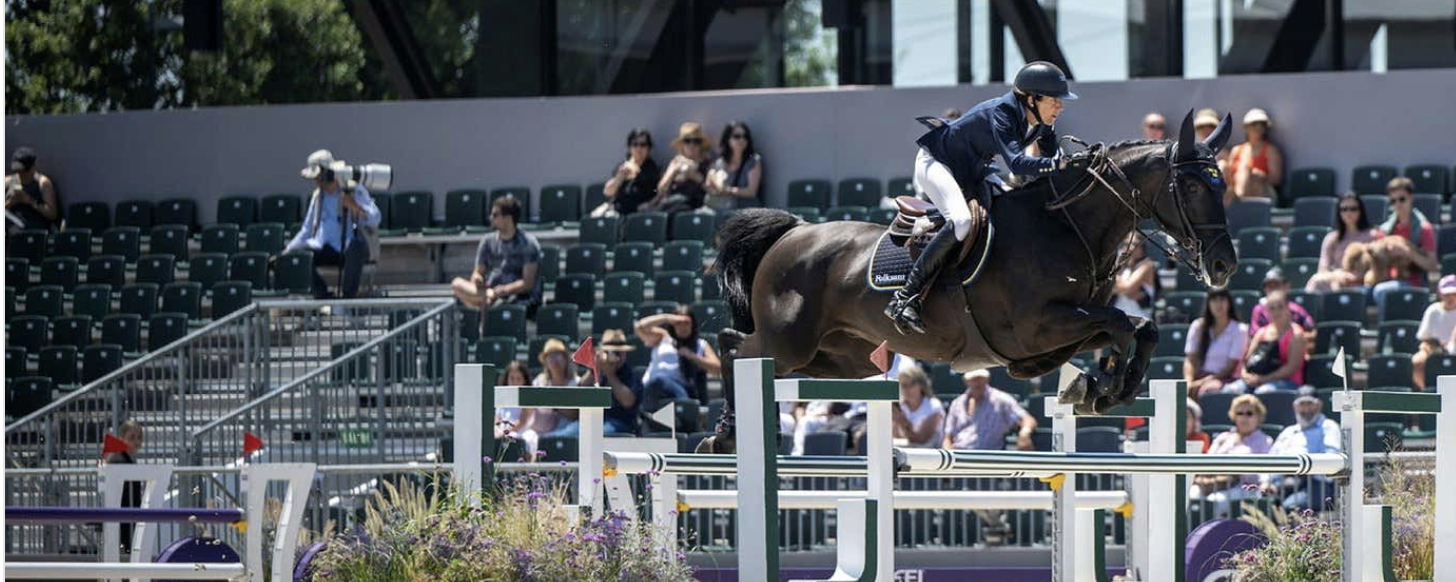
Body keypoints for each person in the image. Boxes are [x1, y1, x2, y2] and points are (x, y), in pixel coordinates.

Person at [888, 61, 1084, 335]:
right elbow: (1017, 164)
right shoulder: (1003, 112)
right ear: (1032, 98)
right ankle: (904, 298)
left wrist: (1075, 167)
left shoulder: (1042, 121)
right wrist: (1059, 165)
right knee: (962, 222)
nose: (1060, 107)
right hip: (938, 164)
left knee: (1012, 212)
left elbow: (1054, 161)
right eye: (1054, 100)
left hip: (973, 171)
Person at [285, 149, 382, 299]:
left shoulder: (353, 190)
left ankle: (348, 298)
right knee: (300, 255)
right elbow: (306, 230)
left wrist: (354, 206)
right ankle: (322, 295)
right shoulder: (318, 196)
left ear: (327, 174)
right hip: (324, 248)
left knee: (356, 247)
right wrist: (288, 250)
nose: (316, 181)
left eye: (318, 177)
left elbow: (375, 218)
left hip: (349, 249)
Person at [451, 196, 543, 331]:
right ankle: (488, 298)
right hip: (491, 292)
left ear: (508, 218)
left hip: (519, 296)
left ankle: (483, 337)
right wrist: (477, 279)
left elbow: (527, 283)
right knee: (457, 284)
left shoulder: (528, 243)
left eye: (495, 215)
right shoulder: (487, 241)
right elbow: (477, 272)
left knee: (486, 302)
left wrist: (504, 290)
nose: (491, 218)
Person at [1191, 395, 1272, 517]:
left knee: (1214, 501)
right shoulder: (1223, 438)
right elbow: (1207, 462)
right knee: (1191, 496)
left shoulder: (1264, 441)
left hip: (1245, 488)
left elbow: (1267, 469)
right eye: (1240, 413)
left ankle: (1209, 535)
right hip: (1214, 483)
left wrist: (1266, 483)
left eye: (1249, 413)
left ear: (1258, 416)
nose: (1244, 417)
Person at [1265, 387, 1340, 511]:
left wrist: (1302, 468)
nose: (1306, 409)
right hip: (1283, 483)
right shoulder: (1288, 432)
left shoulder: (1329, 427)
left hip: (1317, 484)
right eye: (1302, 404)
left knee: (1290, 507)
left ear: (1319, 405)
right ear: (1295, 407)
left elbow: (1331, 458)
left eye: (1309, 404)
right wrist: (1267, 481)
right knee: (1258, 503)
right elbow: (1271, 459)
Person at [1373, 177, 1439, 313]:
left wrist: (1408, 252)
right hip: (1385, 278)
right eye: (1393, 201)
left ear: (1411, 198)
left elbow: (1432, 265)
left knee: (1381, 291)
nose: (1397, 204)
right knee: (1358, 292)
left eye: (1402, 199)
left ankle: (1385, 330)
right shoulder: (1385, 230)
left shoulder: (1424, 228)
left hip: (1414, 282)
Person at [634, 306, 721, 408]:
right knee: (658, 380)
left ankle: (685, 409)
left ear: (693, 324)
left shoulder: (700, 344)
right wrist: (666, 318)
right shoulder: (663, 337)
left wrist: (692, 356)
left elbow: (717, 369)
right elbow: (639, 327)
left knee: (664, 385)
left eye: (686, 323)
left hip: (679, 387)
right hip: (652, 386)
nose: (683, 327)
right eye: (678, 323)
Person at [1225, 290, 1306, 394]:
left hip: (1287, 382)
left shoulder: (1296, 335)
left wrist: (1263, 379)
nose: (1276, 312)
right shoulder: (1261, 333)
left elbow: (1292, 367)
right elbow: (1247, 360)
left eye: (1280, 307)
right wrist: (1245, 374)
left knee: (1263, 392)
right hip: (1255, 380)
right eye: (1272, 308)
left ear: (1287, 307)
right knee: (1229, 391)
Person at [942, 369, 1037, 450]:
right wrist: (948, 453)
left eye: (980, 378)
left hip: (988, 458)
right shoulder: (957, 403)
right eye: (973, 379)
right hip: (959, 455)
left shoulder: (1001, 400)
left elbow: (1027, 419)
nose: (977, 383)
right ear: (966, 381)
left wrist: (1025, 433)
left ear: (987, 379)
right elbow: (948, 437)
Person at [1305, 192, 1378, 292]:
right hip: (1336, 280)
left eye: (1353, 209)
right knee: (1317, 280)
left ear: (1361, 211)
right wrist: (1338, 275)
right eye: (1344, 209)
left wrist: (1356, 276)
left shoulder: (1373, 235)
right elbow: (1323, 268)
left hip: (1364, 283)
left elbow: (1378, 266)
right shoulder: (1332, 238)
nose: (1348, 213)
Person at [1185, 288, 1250, 397]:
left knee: (1209, 391)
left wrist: (1202, 382)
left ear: (1229, 303)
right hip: (1198, 377)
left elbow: (1230, 367)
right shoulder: (1198, 326)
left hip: (1225, 379)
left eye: (1222, 299)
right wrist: (1188, 381)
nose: (1218, 304)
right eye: (1214, 300)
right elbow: (1190, 359)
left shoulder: (1240, 330)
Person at [495, 361, 560, 458]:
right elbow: (497, 420)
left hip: (521, 433)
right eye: (511, 378)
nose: (514, 382)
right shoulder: (501, 399)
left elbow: (522, 421)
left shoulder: (528, 399)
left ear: (524, 380)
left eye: (518, 379)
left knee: (529, 438)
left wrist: (506, 433)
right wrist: (497, 432)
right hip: (502, 433)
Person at [595, 128, 661, 217]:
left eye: (643, 144)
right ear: (629, 147)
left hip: (639, 214)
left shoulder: (653, 169)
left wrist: (649, 204)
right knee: (595, 218)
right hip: (617, 211)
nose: (639, 148)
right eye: (635, 144)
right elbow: (608, 192)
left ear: (648, 147)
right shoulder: (623, 166)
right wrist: (620, 177)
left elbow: (659, 193)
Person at [651, 122, 712, 214]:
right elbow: (661, 189)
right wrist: (674, 172)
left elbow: (713, 190)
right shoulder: (676, 162)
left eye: (696, 141)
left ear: (701, 145)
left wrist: (696, 177)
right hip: (674, 205)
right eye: (687, 141)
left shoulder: (707, 163)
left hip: (697, 206)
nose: (692, 145)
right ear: (682, 144)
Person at [593, 329, 645, 436]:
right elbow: (581, 393)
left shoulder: (633, 375)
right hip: (596, 422)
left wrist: (611, 375)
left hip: (622, 425)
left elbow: (628, 402)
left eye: (619, 352)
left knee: (595, 434)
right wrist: (594, 369)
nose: (615, 357)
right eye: (611, 352)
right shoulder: (600, 372)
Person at [103, 421, 144, 555]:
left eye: (139, 437)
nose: (137, 441)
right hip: (122, 515)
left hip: (128, 514)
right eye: (132, 438)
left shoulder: (125, 459)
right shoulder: (119, 460)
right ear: (121, 438)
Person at [1227, 108, 1283, 204]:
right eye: (1254, 124)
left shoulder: (1270, 150)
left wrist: (1256, 175)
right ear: (1246, 127)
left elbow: (1276, 179)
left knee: (1246, 170)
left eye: (1262, 124)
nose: (1259, 127)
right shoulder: (1236, 150)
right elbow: (1229, 176)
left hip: (1263, 191)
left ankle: (1238, 200)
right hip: (1234, 190)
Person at [704, 121, 763, 211]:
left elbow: (751, 192)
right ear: (728, 139)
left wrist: (727, 190)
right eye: (737, 136)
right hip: (722, 208)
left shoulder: (753, 160)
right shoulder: (720, 162)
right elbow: (708, 186)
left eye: (745, 136)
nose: (742, 140)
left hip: (746, 210)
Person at [1248, 268, 1316, 345]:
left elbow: (1312, 331)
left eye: (1276, 285)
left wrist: (1292, 337)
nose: (1273, 289)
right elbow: (1255, 335)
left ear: (1286, 286)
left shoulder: (1296, 309)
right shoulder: (1258, 310)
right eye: (1269, 286)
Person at [1413, 275, 1456, 390]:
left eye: (1454, 294)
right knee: (1417, 361)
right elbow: (1424, 338)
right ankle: (1424, 392)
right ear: (1440, 294)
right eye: (1447, 294)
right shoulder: (1433, 310)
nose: (1451, 297)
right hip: (1434, 349)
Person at [4, 147, 60, 232]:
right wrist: (10, 202)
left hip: (35, 228)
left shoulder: (43, 183)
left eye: (24, 172)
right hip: (13, 228)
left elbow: (52, 214)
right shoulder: (8, 182)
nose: (20, 175)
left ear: (32, 168)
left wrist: (30, 201)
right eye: (18, 172)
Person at [892, 363, 945, 448]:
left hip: (929, 456)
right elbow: (895, 437)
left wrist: (902, 422)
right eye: (903, 385)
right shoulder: (900, 407)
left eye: (912, 384)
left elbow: (921, 440)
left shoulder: (933, 406)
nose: (907, 389)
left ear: (921, 384)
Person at [1112, 234, 1158, 319]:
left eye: (1135, 244)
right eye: (1127, 244)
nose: (1131, 248)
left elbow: (1127, 288)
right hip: (1117, 318)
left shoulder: (1147, 265)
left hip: (1139, 320)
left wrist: (1116, 286)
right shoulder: (1122, 267)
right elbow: (1106, 285)